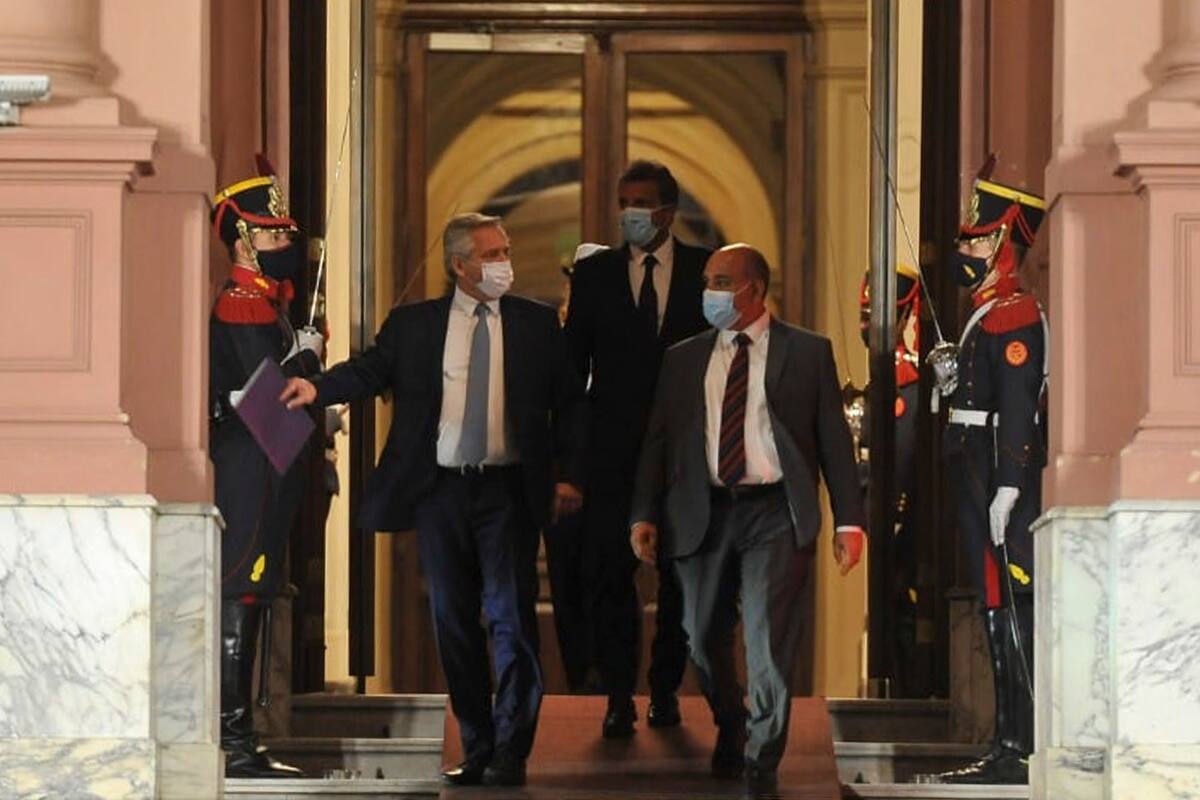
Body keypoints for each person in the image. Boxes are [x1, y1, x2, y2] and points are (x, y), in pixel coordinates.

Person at [280, 212, 587, 788]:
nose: (504, 264)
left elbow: (571, 403)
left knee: (511, 618)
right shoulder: (416, 325)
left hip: (508, 489)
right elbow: (373, 369)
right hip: (441, 490)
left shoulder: (537, 324)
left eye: (506, 252)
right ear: (459, 265)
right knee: (453, 620)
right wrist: (319, 387)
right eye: (492, 254)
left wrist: (569, 476)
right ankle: (476, 744)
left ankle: (511, 749)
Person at [629, 244, 866, 796]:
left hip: (775, 512)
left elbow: (833, 441)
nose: (707, 291)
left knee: (767, 641)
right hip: (703, 512)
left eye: (719, 281)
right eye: (708, 281)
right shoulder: (683, 358)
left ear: (753, 290)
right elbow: (658, 443)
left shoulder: (807, 353)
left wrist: (850, 523)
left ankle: (762, 760)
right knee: (699, 636)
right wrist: (643, 513)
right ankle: (731, 720)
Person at [563, 160, 710, 737]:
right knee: (609, 577)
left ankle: (666, 687)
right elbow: (573, 372)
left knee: (680, 579)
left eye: (642, 203)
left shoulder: (704, 271)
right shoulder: (596, 274)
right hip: (611, 455)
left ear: (669, 211)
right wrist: (570, 462)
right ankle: (619, 694)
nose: (632, 213)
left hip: (684, 455)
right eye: (624, 201)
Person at [930, 166, 1046, 785]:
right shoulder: (985, 314)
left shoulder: (1013, 313)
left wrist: (1009, 484)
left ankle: (1016, 746)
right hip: (975, 468)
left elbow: (1020, 402)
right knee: (993, 598)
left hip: (997, 477)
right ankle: (1007, 741)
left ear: (1004, 246)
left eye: (976, 242)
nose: (965, 252)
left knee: (1009, 597)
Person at [209, 159, 323, 778]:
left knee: (257, 591)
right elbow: (271, 407)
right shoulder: (242, 308)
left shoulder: (268, 307)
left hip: (270, 468)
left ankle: (245, 737)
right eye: (274, 236)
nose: (287, 245)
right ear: (244, 242)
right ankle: (234, 743)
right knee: (243, 591)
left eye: (286, 234)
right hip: (251, 467)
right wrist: (307, 366)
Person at [857, 263, 926, 695]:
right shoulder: (878, 383)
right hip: (878, 522)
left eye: (874, 314)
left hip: (903, 525)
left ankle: (909, 691)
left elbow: (903, 459)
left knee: (903, 610)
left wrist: (891, 514)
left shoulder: (907, 385)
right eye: (863, 315)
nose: (866, 324)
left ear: (902, 316)